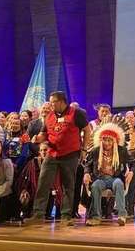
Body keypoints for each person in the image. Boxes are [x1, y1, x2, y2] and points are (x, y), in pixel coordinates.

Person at [30, 91, 91, 225]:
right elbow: (43, 134)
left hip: (70, 155)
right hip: (52, 154)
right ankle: (38, 214)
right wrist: (37, 138)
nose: (51, 105)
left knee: (68, 186)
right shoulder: (49, 116)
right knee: (43, 183)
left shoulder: (76, 113)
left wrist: (84, 149)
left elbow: (87, 130)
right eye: (50, 102)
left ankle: (66, 216)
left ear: (62, 101)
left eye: (53, 102)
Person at [83, 119, 135, 226]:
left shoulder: (122, 151)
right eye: (105, 140)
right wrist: (87, 173)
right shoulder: (95, 151)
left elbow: (133, 163)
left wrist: (131, 172)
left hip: (115, 178)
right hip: (100, 178)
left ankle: (121, 215)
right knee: (95, 186)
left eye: (110, 140)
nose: (107, 143)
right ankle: (96, 217)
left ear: (115, 140)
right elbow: (88, 164)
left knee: (119, 184)